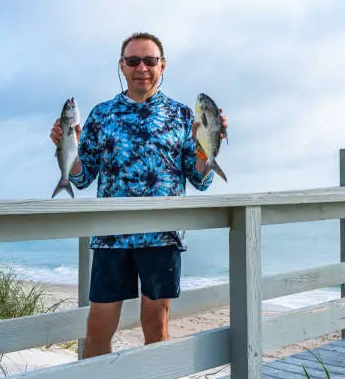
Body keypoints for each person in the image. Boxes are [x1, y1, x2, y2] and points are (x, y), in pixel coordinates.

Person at [49, 32, 227, 358]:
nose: (141, 67)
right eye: (133, 61)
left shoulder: (183, 115)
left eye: (149, 60)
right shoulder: (102, 115)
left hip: (163, 235)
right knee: (97, 327)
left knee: (156, 327)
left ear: (162, 65)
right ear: (122, 65)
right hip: (111, 237)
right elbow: (83, 176)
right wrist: (66, 146)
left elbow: (200, 180)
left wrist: (209, 143)